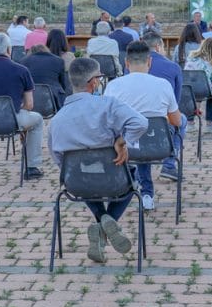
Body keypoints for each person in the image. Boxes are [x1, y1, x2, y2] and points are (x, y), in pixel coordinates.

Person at [48, 57, 147, 263]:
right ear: (94, 82)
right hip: (114, 179)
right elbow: (140, 122)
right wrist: (122, 140)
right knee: (133, 177)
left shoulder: (57, 119)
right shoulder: (108, 104)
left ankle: (101, 222)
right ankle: (106, 223)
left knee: (84, 177)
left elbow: (60, 161)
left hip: (77, 184)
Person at [104, 41, 181, 211]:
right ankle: (149, 190)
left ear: (126, 62)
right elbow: (176, 122)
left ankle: (128, 187)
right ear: (149, 61)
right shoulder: (163, 85)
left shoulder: (113, 86)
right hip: (159, 146)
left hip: (124, 146)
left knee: (135, 133)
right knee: (149, 132)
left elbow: (107, 121)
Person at [0, 32, 45, 180]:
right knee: (37, 120)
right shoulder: (22, 70)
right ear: (9, 49)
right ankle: (31, 166)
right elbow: (30, 104)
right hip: (11, 120)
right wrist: (15, 111)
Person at [141, 31, 184, 182]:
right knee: (181, 120)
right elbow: (176, 100)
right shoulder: (173, 67)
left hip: (136, 118)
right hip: (163, 118)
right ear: (158, 47)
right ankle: (169, 164)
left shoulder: (132, 67)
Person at [184, 37, 212, 120]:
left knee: (195, 94)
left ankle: (190, 122)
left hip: (188, 88)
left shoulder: (191, 56)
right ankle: (210, 122)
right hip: (204, 89)